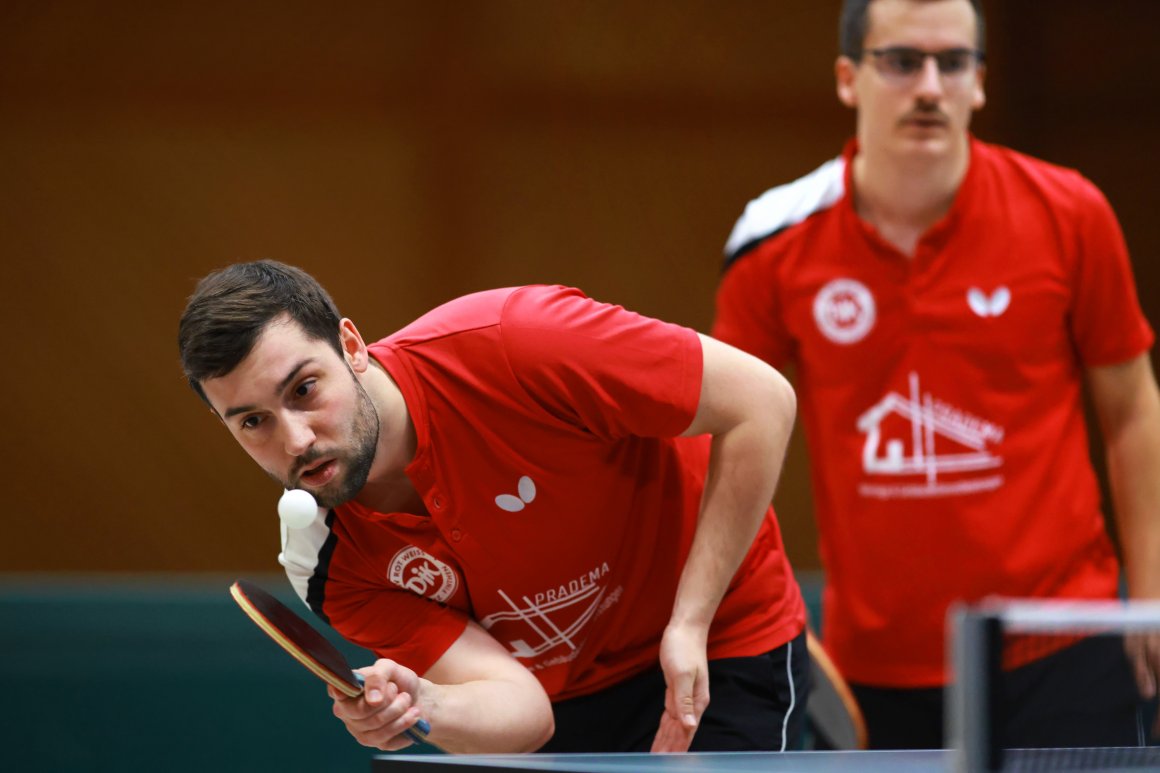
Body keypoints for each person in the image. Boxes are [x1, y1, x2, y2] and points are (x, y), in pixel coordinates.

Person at [712, 0, 1160, 751]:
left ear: (979, 83)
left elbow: (1133, 410)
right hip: (868, 663)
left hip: (1060, 639)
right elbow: (724, 439)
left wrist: (1149, 597)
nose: (929, 85)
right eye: (901, 61)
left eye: (953, 63)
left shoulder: (1071, 213)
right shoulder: (772, 239)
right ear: (849, 78)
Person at [178, 260, 807, 754]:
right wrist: (423, 702)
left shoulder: (519, 344)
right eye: (253, 422)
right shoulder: (333, 564)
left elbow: (762, 401)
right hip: (565, 701)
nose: (295, 440)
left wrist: (690, 621)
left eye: (305, 389)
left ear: (351, 345)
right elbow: (525, 714)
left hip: (719, 638)